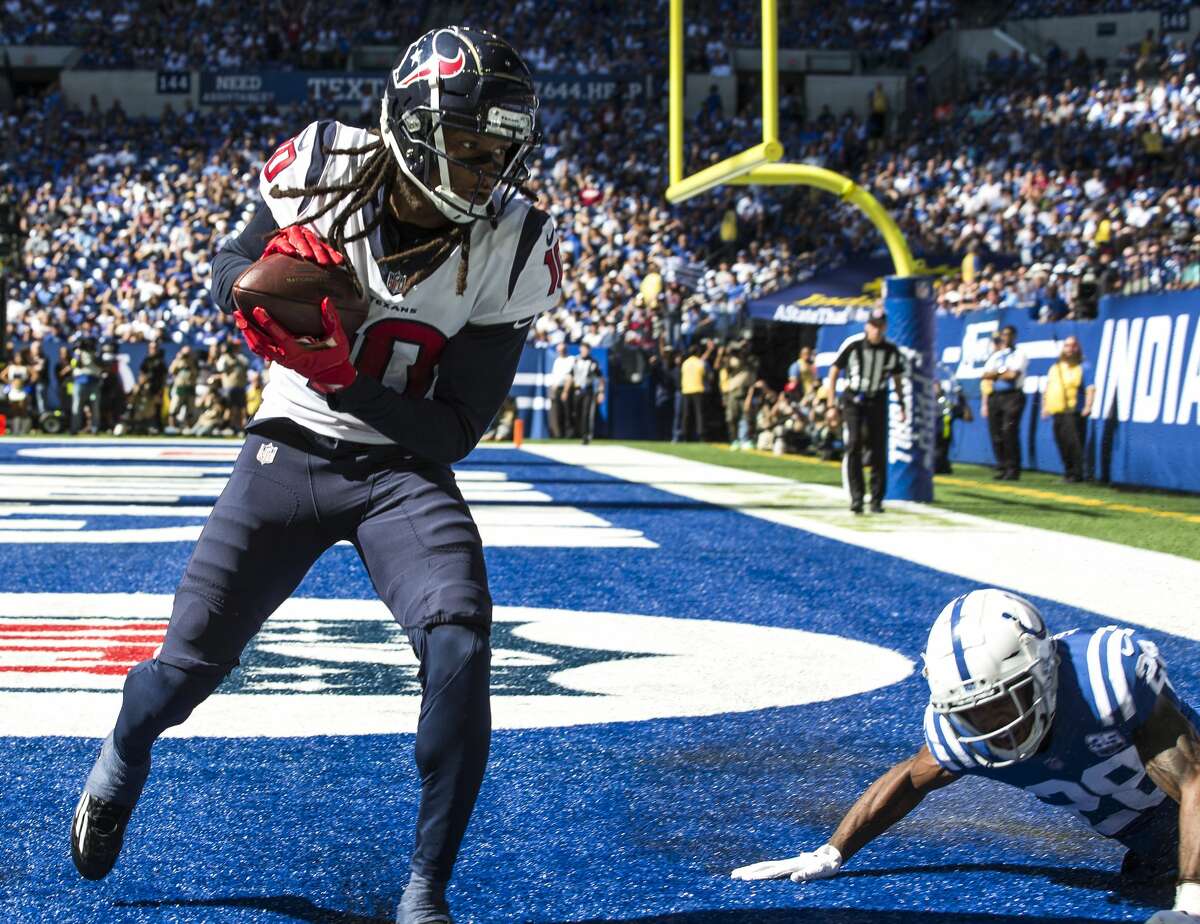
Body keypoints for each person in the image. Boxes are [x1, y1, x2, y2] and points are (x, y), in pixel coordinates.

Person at [70, 26, 559, 924]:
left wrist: (346, 377)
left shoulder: (514, 244)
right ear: (416, 132)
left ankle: (424, 893)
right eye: (474, 147)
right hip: (287, 447)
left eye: (503, 151)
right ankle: (123, 752)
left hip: (401, 470)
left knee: (459, 641)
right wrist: (252, 303)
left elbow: (454, 429)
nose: (492, 170)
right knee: (183, 673)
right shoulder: (326, 168)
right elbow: (231, 268)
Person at [731, 589, 1200, 924]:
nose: (995, 724)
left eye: (1002, 702)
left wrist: (1192, 899)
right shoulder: (967, 735)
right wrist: (831, 852)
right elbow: (909, 780)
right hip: (1151, 842)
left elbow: (1193, 781)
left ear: (1044, 670)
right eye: (973, 712)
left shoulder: (1106, 679)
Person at [827, 308, 905, 514]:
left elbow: (897, 378)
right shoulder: (853, 346)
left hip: (877, 399)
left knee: (878, 448)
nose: (877, 331)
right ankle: (857, 497)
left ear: (885, 327)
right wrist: (831, 404)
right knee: (854, 444)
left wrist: (902, 404)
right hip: (853, 398)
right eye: (873, 326)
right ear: (867, 326)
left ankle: (877, 499)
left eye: (880, 327)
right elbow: (834, 372)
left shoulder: (891, 350)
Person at [1042, 336, 1094, 483]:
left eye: (1073, 346)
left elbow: (1090, 388)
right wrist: (1044, 406)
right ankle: (1068, 471)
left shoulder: (1083, 366)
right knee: (1062, 443)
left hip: (1073, 411)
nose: (1070, 349)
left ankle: (1077, 474)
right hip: (1057, 411)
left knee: (1074, 444)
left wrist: (1088, 406)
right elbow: (1048, 388)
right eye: (1067, 346)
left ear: (1078, 348)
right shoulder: (1056, 367)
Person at [981, 324, 1028, 480]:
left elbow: (1013, 375)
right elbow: (985, 374)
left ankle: (1013, 468)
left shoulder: (1019, 354)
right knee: (996, 433)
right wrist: (1001, 372)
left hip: (1012, 395)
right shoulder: (997, 355)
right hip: (996, 395)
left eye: (1009, 334)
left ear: (1014, 336)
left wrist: (997, 373)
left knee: (1009, 432)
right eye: (1004, 334)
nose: (1006, 337)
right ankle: (1002, 465)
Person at [679, 340, 713, 442]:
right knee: (700, 415)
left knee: (686, 415)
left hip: (686, 391)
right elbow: (709, 376)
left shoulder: (685, 363)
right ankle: (702, 435)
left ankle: (685, 435)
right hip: (699, 389)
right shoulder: (700, 363)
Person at [571, 342, 605, 444]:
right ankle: (578, 433)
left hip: (588, 390)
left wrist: (601, 392)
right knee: (576, 413)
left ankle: (586, 436)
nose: (584, 351)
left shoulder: (593, 362)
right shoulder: (576, 360)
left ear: (589, 350)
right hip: (577, 389)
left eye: (586, 349)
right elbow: (570, 375)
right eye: (582, 349)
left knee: (586, 413)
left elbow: (601, 378)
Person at [547, 341, 575, 438]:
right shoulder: (557, 360)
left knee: (567, 412)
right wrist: (552, 388)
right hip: (556, 388)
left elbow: (569, 376)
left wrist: (566, 391)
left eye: (562, 350)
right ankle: (558, 434)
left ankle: (569, 434)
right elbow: (555, 376)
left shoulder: (570, 359)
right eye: (559, 350)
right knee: (557, 412)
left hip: (565, 388)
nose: (561, 352)